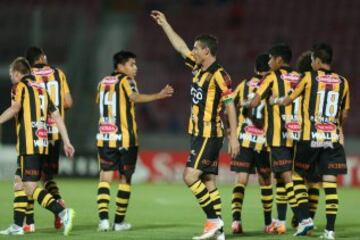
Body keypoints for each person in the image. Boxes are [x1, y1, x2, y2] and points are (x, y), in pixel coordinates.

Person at [151, 10, 239, 240]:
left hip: (209, 134)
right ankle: (218, 232)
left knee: (189, 176)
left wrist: (234, 136)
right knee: (208, 180)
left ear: (206, 51)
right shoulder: (198, 67)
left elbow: (230, 106)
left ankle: (213, 221)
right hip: (197, 133)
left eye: (196, 48)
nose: (193, 51)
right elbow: (180, 48)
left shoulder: (220, 75)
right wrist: (165, 25)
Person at [275, 43, 350, 240]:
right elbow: (345, 112)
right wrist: (336, 126)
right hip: (331, 139)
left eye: (312, 60)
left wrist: (276, 100)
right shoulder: (343, 81)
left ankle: (305, 219)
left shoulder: (308, 77)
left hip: (310, 138)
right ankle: (330, 231)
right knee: (330, 183)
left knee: (297, 176)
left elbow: (289, 100)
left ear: (316, 61)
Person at [96, 51, 174, 232]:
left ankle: (103, 221)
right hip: (126, 138)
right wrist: (159, 95)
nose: (135, 68)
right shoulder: (127, 81)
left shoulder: (102, 83)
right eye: (132, 64)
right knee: (125, 179)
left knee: (105, 178)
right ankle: (118, 222)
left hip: (105, 136)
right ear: (121, 66)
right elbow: (134, 97)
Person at [0, 57, 75, 236]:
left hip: (29, 144)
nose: (11, 78)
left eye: (12, 75)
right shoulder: (42, 89)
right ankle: (18, 226)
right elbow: (57, 117)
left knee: (30, 187)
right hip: (42, 144)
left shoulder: (19, 87)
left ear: (18, 73)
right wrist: (66, 141)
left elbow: (15, 108)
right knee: (19, 182)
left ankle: (63, 213)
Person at [249, 43, 313, 236]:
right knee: (283, 179)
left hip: (278, 137)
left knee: (287, 178)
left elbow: (254, 101)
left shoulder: (271, 77)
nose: (268, 62)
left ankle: (304, 219)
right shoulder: (299, 77)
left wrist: (246, 103)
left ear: (278, 59)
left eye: (270, 59)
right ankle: (282, 220)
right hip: (297, 134)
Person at [18, 46, 73, 232]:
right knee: (46, 177)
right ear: (42, 57)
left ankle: (29, 222)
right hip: (56, 134)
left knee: (27, 177)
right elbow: (68, 102)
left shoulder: (28, 77)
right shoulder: (59, 73)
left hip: (36, 132)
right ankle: (57, 202)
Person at [230, 54, 274, 234]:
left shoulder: (244, 85)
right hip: (263, 142)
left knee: (241, 180)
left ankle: (236, 221)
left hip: (244, 140)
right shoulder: (271, 85)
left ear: (255, 69)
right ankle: (268, 223)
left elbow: (229, 106)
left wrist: (230, 132)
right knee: (265, 182)